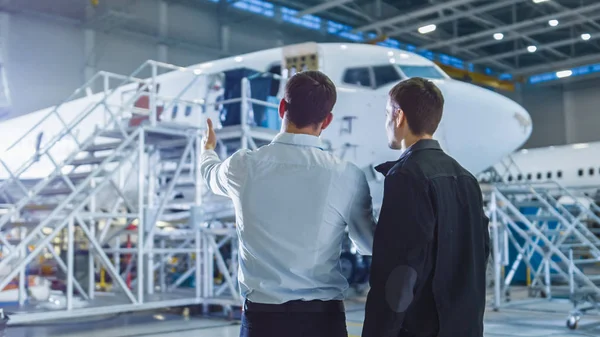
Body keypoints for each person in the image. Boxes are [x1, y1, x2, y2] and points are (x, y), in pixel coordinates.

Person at [200, 70, 376, 337]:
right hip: (324, 322)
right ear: (327, 121)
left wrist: (207, 150)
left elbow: (210, 175)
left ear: (282, 107)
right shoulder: (348, 175)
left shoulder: (244, 165)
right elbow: (368, 244)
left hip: (263, 321)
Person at [362, 77, 490, 337]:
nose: (386, 122)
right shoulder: (466, 178)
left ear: (399, 116)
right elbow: (481, 252)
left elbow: (399, 271)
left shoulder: (406, 176)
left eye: (387, 114)